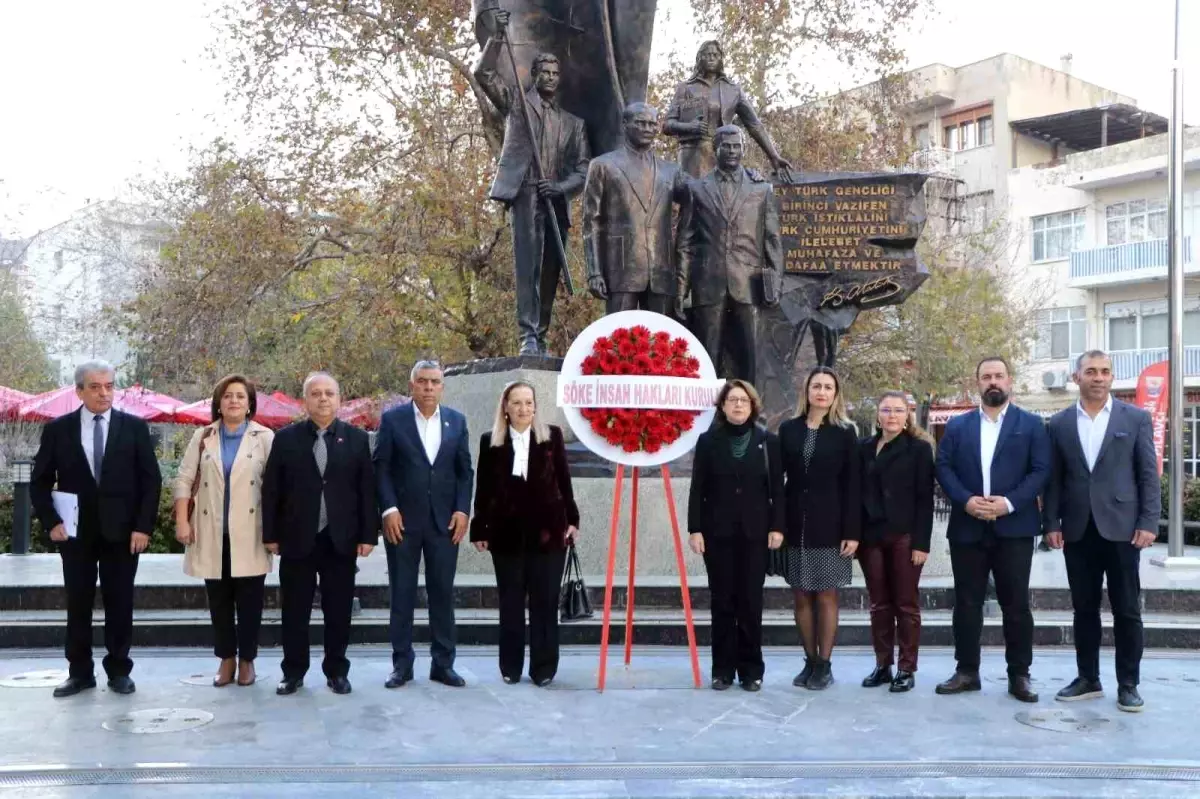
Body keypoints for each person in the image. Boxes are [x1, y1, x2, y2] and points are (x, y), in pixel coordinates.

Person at [31, 360, 162, 698]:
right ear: (79, 390)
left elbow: (151, 481)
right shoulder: (58, 430)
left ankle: (119, 671)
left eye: (109, 386)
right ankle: (79, 673)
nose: (104, 393)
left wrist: (143, 527)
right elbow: (40, 481)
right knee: (78, 603)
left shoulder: (134, 428)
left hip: (123, 534)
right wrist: (52, 522)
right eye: (95, 387)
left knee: (120, 603)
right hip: (76, 534)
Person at [1042, 350, 1160, 713]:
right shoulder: (1059, 423)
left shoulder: (1135, 418)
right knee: (1084, 610)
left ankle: (1129, 684)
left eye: (1105, 371)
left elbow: (1147, 474)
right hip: (1077, 529)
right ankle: (1088, 678)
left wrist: (1148, 522)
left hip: (1123, 529)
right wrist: (1051, 523)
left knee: (1127, 610)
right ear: (1077, 377)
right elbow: (1054, 480)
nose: (1098, 377)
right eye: (1090, 371)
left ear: (1111, 378)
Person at [934, 356, 1050, 703]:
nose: (993, 382)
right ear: (977, 384)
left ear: (1009, 381)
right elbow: (944, 467)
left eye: (999, 375)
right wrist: (967, 501)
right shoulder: (957, 426)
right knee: (966, 603)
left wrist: (1008, 503)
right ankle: (967, 670)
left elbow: (1041, 470)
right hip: (968, 527)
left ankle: (1019, 675)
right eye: (986, 377)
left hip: (1013, 527)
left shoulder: (1031, 425)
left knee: (1016, 604)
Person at [477, 30, 591, 355]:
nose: (551, 78)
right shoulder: (517, 103)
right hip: (526, 194)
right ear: (535, 74)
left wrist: (559, 187)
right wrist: (497, 37)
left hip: (555, 199)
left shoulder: (573, 124)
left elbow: (583, 170)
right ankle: (527, 334)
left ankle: (540, 333)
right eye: (546, 73)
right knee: (528, 267)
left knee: (550, 269)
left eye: (556, 74)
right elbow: (483, 73)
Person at [262, 372, 376, 696]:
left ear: (339, 400)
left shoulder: (356, 439)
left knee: (338, 610)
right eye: (316, 394)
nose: (323, 399)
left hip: (340, 539)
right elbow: (272, 491)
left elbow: (366, 491)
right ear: (305, 400)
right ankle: (293, 672)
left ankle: (337, 671)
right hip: (297, 538)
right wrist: (270, 534)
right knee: (294, 610)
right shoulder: (285, 439)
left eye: (329, 393)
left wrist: (368, 535)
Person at [470, 381, 579, 686]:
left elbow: (564, 482)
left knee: (545, 603)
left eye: (529, 402)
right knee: (511, 603)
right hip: (506, 537)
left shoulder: (551, 437)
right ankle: (510, 666)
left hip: (549, 535)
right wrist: (480, 527)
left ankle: (544, 668)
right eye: (517, 403)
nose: (524, 409)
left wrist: (573, 520)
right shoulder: (490, 441)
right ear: (505, 407)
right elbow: (484, 489)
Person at [375, 360, 474, 689]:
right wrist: (388, 508)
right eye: (422, 382)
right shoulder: (393, 420)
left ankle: (443, 664)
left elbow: (465, 472)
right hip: (401, 522)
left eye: (434, 382)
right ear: (412, 385)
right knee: (402, 593)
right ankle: (402, 665)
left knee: (442, 594)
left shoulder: (457, 421)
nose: (429, 387)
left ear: (442, 386)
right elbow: (382, 468)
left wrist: (463, 510)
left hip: (445, 523)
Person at [174, 375, 275, 688]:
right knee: (218, 601)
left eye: (240, 397)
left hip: (250, 531)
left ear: (249, 404)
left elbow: (277, 488)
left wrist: (276, 530)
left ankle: (247, 661)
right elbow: (183, 479)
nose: (234, 401)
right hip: (211, 529)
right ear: (218, 403)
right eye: (228, 396)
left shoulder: (265, 437)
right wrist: (182, 521)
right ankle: (226, 659)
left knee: (250, 602)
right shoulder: (204, 436)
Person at [687, 380, 784, 691]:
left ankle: (751, 670)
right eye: (732, 400)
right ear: (723, 406)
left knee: (751, 603)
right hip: (717, 534)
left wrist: (778, 527)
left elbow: (778, 491)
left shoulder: (768, 442)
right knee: (722, 602)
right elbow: (697, 489)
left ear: (752, 405)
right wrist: (695, 529)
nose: (738, 405)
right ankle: (722, 670)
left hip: (756, 534)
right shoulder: (708, 441)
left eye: (743, 400)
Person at [778, 366, 860, 690]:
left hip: (831, 524)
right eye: (816, 386)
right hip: (796, 523)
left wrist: (852, 531)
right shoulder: (789, 430)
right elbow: (778, 482)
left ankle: (824, 665)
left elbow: (853, 485)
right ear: (807, 391)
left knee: (826, 594)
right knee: (800, 595)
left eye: (828, 387)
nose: (822, 392)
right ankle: (809, 661)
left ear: (835, 394)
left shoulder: (844, 432)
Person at [681, 125, 782, 385]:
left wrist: (775, 284)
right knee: (705, 357)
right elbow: (685, 243)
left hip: (749, 282)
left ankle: (752, 416)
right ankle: (707, 418)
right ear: (716, 149)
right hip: (708, 282)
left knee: (750, 356)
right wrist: (682, 289)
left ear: (744, 149)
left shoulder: (762, 189)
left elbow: (772, 239)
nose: (732, 151)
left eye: (737, 146)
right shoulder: (698, 189)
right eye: (727, 146)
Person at [857, 391, 934, 693]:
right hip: (870, 536)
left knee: (906, 602)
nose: (891, 415)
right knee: (879, 604)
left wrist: (922, 543)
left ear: (907, 416)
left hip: (904, 536)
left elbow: (925, 499)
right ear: (877, 414)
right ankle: (883, 664)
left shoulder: (918, 449)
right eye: (886, 409)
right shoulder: (863, 447)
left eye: (898, 410)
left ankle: (907, 667)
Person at [581, 102, 689, 316]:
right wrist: (594, 271)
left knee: (662, 342)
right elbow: (591, 221)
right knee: (616, 340)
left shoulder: (672, 170)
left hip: (661, 269)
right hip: (620, 268)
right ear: (625, 124)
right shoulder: (603, 165)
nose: (647, 129)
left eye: (652, 124)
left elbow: (700, 193)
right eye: (641, 123)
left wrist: (751, 178)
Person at [663, 40, 791, 178]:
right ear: (700, 58)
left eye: (715, 55)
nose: (711, 57)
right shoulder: (685, 88)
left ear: (721, 59)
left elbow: (754, 125)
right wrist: (689, 127)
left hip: (723, 157)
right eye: (707, 54)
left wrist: (773, 156)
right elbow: (667, 126)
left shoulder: (733, 90)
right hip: (692, 158)